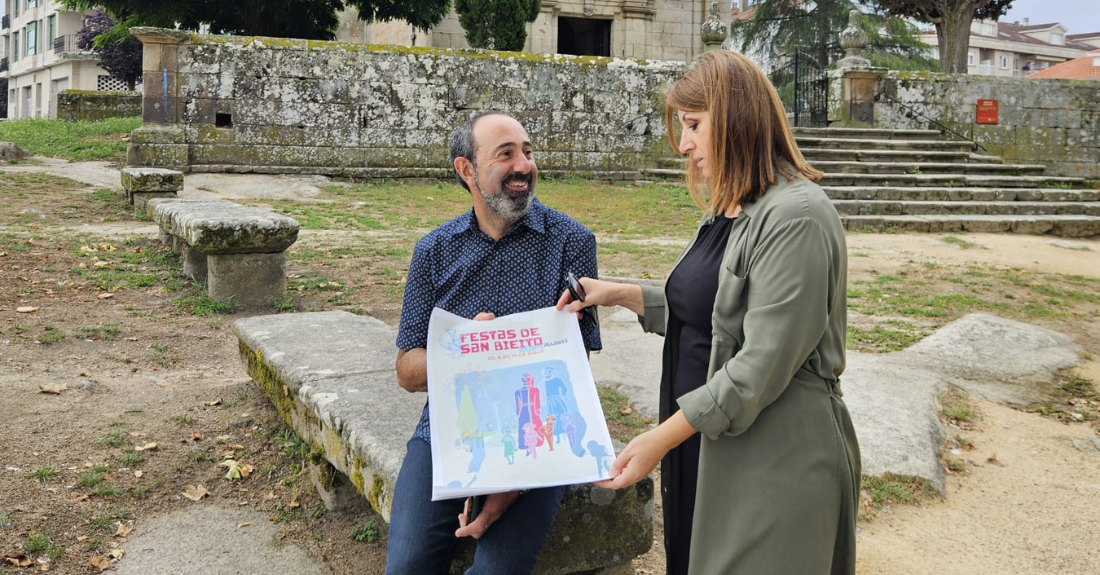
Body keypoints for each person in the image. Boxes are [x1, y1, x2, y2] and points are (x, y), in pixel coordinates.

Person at [557, 50, 860, 575]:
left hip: (772, 463)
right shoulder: (731, 210)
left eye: (694, 125)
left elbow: (755, 367)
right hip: (705, 447)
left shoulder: (798, 216)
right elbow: (713, 319)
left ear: (738, 117)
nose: (685, 144)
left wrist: (656, 439)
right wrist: (616, 294)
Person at [386, 111, 602, 575]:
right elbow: (407, 370)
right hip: (448, 429)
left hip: (542, 433)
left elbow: (576, 363)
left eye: (527, 151)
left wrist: (514, 483)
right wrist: (464, 349)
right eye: (505, 154)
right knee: (406, 566)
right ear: (467, 170)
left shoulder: (573, 243)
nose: (523, 165)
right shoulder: (434, 250)